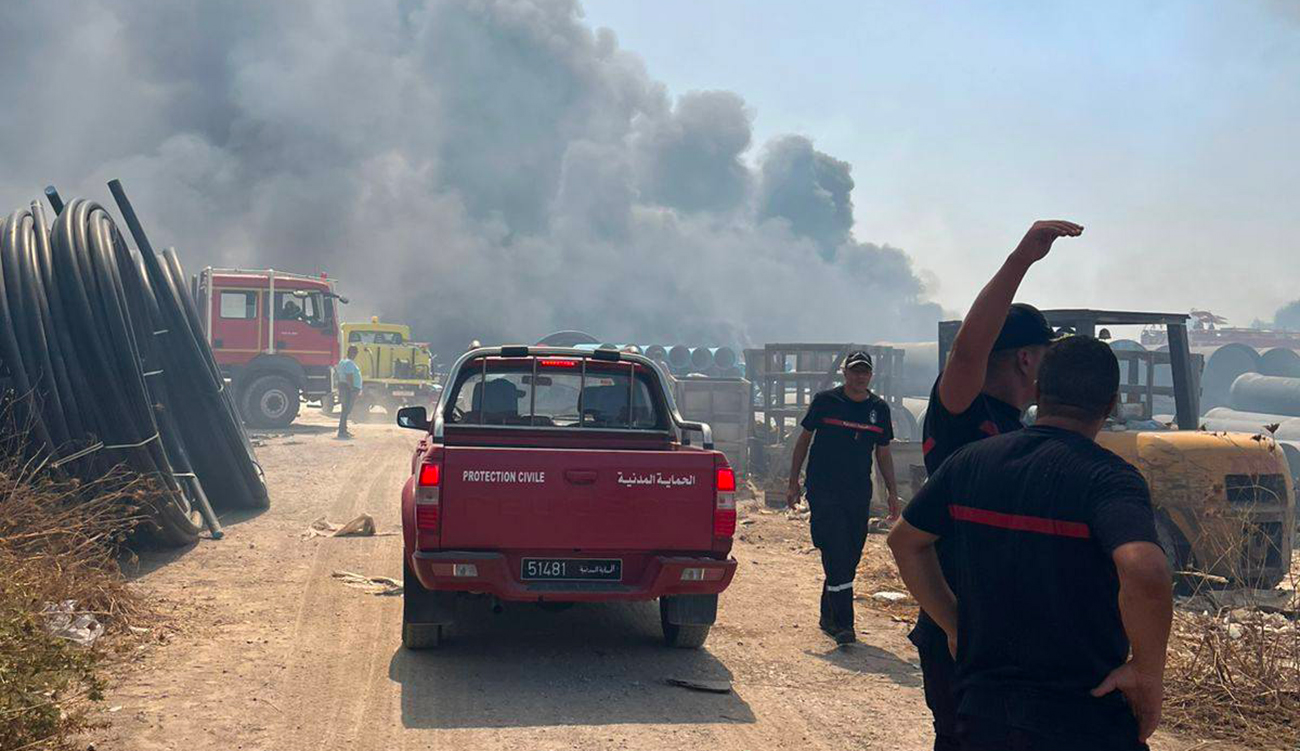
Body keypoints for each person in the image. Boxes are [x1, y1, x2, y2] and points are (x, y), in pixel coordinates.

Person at [889, 336, 1172, 751]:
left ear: (1038, 391)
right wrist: (1148, 672)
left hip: (984, 713)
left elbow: (905, 542)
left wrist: (954, 624)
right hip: (1081, 714)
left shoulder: (971, 461)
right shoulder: (1109, 479)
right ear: (1109, 405)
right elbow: (1145, 570)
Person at [912, 220, 1082, 751]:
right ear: (1028, 359)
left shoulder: (1022, 431)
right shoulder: (963, 413)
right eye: (1048, 354)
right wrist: (1020, 260)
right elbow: (967, 354)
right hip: (962, 621)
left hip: (1010, 629)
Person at [786, 351, 900, 645]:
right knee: (835, 547)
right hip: (824, 489)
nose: (859, 377)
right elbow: (804, 440)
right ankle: (844, 624)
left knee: (850, 554)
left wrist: (892, 492)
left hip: (857, 491)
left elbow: (883, 452)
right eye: (855, 371)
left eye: (865, 372)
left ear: (870, 376)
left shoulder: (879, 409)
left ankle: (828, 615)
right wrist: (793, 481)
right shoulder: (826, 402)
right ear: (845, 374)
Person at [336, 345, 363, 439]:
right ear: (353, 352)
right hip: (348, 388)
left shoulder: (343, 361)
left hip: (344, 387)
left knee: (345, 410)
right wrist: (352, 388)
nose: (356, 355)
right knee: (346, 410)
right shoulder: (349, 363)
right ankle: (342, 431)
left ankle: (343, 430)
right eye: (356, 352)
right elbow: (349, 376)